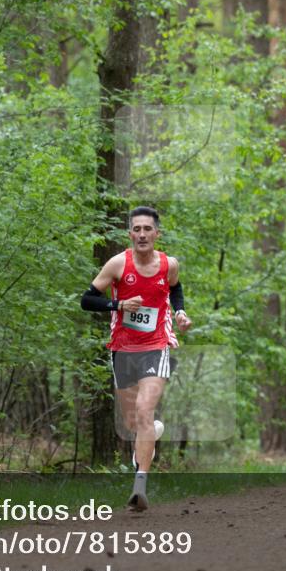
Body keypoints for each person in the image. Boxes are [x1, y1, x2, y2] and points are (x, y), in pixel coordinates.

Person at [80, 206, 192, 511]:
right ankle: (149, 434)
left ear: (157, 233)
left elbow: (175, 288)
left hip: (156, 345)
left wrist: (180, 312)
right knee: (134, 421)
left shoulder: (169, 264)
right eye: (137, 229)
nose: (142, 234)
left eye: (147, 229)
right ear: (130, 234)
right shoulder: (118, 264)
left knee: (144, 410)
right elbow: (87, 300)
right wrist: (118, 305)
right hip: (123, 348)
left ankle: (139, 487)